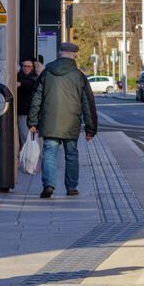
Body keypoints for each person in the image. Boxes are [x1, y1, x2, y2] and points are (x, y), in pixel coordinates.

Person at [27, 42, 98, 198]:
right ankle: (71, 187)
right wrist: (90, 129)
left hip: (49, 121)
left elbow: (36, 97)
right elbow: (88, 102)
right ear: (75, 55)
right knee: (71, 154)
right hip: (71, 122)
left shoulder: (47, 72)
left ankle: (49, 185)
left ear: (59, 53)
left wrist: (32, 122)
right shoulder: (79, 75)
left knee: (50, 153)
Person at [15, 58, 40, 141]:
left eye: (29, 66)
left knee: (28, 133)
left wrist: (21, 84)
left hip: (31, 110)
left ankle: (31, 151)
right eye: (24, 66)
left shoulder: (35, 78)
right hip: (22, 110)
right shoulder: (18, 76)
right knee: (23, 133)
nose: (26, 68)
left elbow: (32, 85)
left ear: (32, 67)